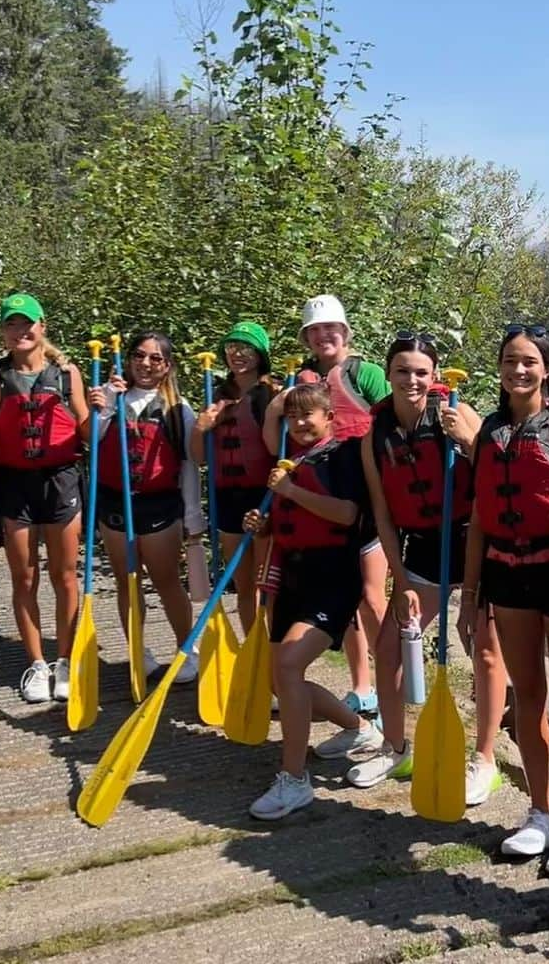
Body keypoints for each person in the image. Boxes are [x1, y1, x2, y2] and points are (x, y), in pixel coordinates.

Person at [340, 333, 508, 799]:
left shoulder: (455, 411)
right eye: (402, 371)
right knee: (389, 647)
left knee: (485, 649)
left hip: (474, 541)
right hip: (421, 549)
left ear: (434, 376)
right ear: (388, 374)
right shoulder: (374, 436)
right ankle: (397, 748)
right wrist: (398, 579)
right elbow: (383, 513)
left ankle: (485, 759)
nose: (411, 380)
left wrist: (469, 442)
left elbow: (497, 473)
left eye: (420, 372)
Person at [463, 324, 549, 879]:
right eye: (509, 361)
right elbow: (477, 519)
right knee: (526, 697)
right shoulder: (490, 431)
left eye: (528, 362)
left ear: (546, 367)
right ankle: (540, 811)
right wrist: (469, 595)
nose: (518, 371)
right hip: (506, 575)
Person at [245, 383, 381, 819]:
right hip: (293, 578)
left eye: (309, 415)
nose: (301, 423)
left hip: (332, 579)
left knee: (288, 665)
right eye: (292, 416)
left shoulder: (341, 457)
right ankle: (359, 729)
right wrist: (263, 525)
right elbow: (291, 517)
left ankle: (295, 779)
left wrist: (291, 492)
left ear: (329, 417)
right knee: (278, 679)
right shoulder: (288, 464)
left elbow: (346, 514)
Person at [264, 294, 389, 722]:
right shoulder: (301, 384)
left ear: (344, 331)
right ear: (307, 337)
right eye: (315, 331)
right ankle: (362, 687)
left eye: (330, 328)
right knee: (348, 603)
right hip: (325, 496)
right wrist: (276, 408)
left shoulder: (365, 373)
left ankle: (390, 680)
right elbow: (277, 445)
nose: (323, 336)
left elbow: (388, 424)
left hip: (365, 495)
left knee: (371, 599)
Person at [0, 293, 87, 704]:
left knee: (65, 575)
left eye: (27, 323)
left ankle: (65, 660)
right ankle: (37, 663)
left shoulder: (67, 375)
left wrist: (98, 408)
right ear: (4, 332)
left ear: (42, 326)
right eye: (11, 324)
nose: (20, 331)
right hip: (13, 486)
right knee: (24, 577)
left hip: (60, 481)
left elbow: (86, 430)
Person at [89, 331, 205, 680]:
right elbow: (90, 439)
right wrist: (105, 402)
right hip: (115, 505)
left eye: (155, 358)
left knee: (167, 580)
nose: (145, 363)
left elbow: (189, 465)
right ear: (129, 359)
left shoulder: (177, 410)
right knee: (128, 581)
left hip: (159, 506)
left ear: (167, 366)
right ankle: (137, 651)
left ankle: (187, 649)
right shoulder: (110, 399)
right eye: (139, 355)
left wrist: (192, 516)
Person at [189, 321, 278, 633]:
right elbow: (199, 457)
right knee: (243, 585)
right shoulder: (215, 397)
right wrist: (201, 428)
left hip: (264, 496)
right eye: (231, 348)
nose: (237, 354)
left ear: (260, 354)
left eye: (246, 348)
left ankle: (272, 653)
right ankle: (252, 651)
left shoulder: (271, 394)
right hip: (227, 498)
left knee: (266, 582)